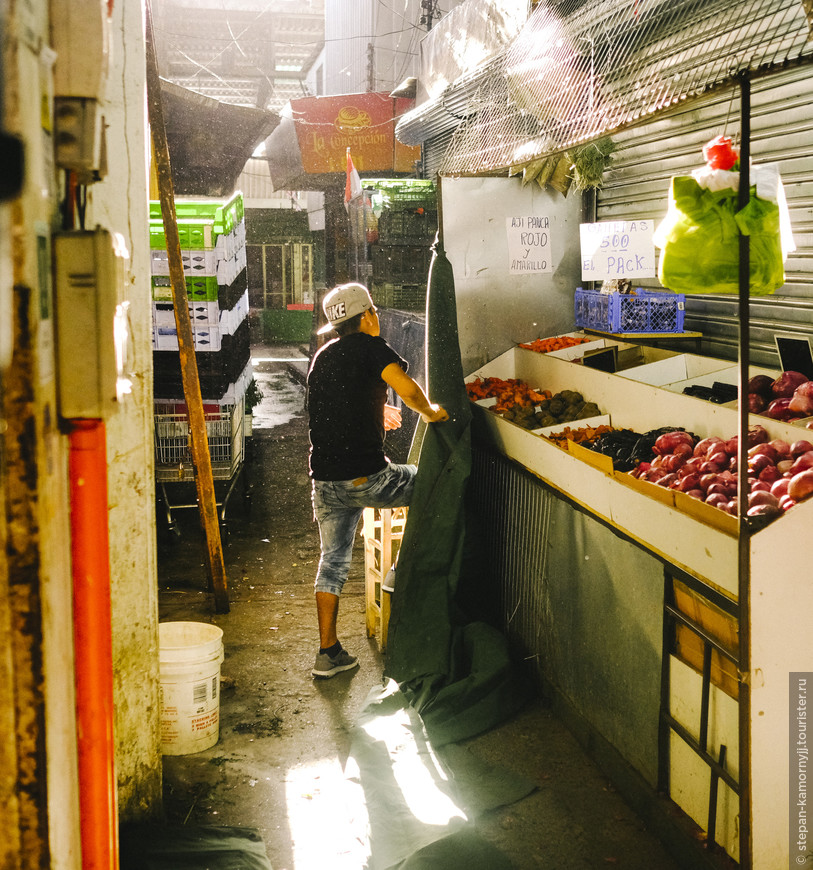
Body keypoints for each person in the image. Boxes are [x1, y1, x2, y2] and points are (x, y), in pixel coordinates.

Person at [307, 282, 448, 678]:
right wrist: (432, 412)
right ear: (367, 316)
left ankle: (328, 653)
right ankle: (408, 572)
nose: (377, 319)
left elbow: (333, 406)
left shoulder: (323, 357)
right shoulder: (373, 348)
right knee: (432, 481)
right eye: (374, 313)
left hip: (326, 482)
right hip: (367, 479)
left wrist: (377, 408)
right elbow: (409, 389)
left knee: (331, 562)